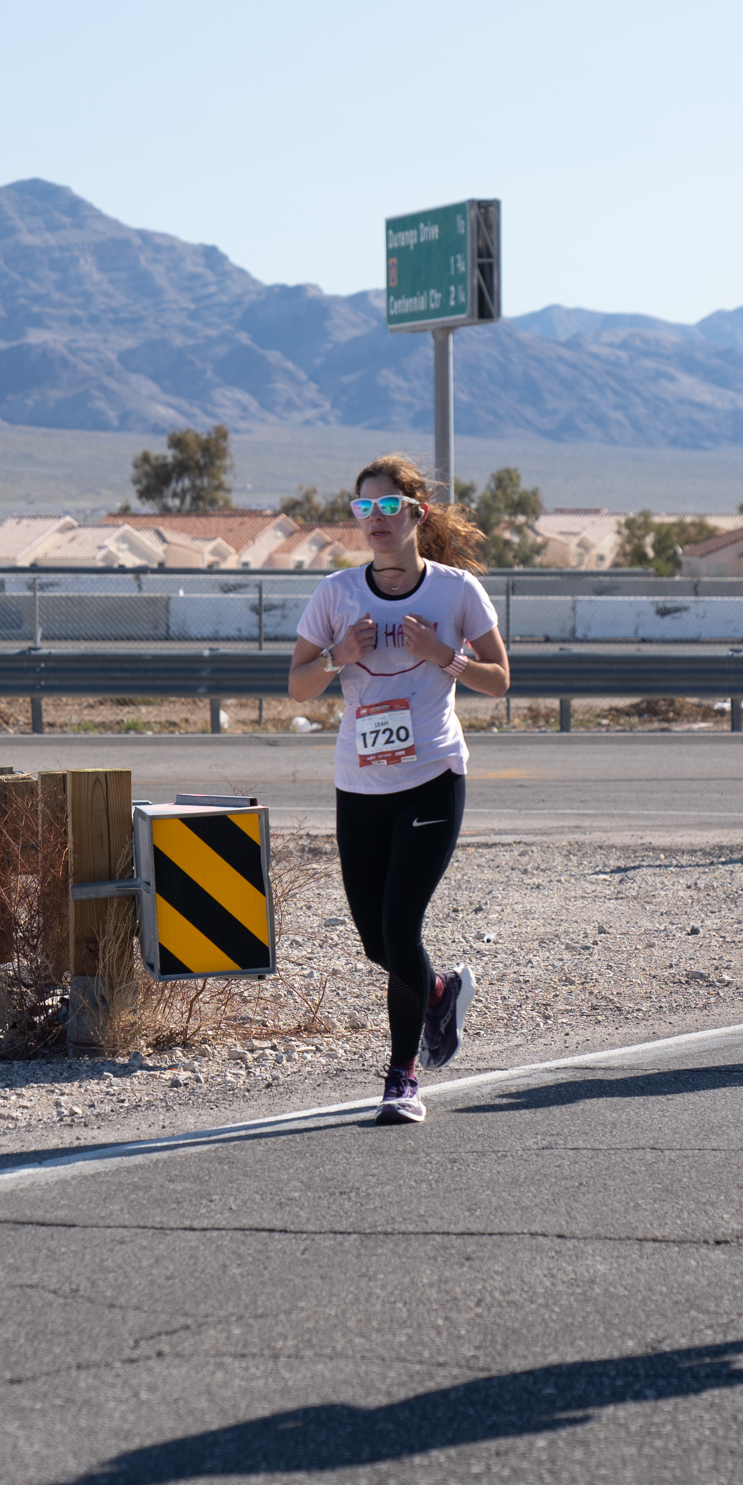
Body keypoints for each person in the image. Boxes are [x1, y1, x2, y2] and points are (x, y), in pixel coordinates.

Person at [289, 455, 510, 1124]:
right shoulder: (335, 594)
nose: (376, 520)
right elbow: (297, 687)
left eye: (389, 507)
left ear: (416, 513)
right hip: (359, 784)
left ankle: (402, 1076)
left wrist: (445, 656)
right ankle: (439, 991)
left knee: (399, 925)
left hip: (431, 778)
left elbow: (499, 679)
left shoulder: (455, 591)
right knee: (376, 944)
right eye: (365, 509)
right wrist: (338, 658)